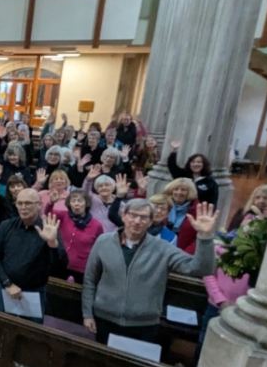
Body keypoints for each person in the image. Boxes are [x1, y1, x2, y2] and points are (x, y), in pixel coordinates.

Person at [84, 198, 217, 344]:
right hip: (104, 319)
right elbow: (90, 279)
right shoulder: (103, 241)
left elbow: (201, 269)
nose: (137, 221)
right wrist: (87, 314)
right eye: (133, 215)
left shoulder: (162, 248)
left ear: (150, 221)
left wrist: (205, 238)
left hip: (143, 325)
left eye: (143, 217)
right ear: (123, 216)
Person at [0, 189, 67, 322]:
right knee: (0, 328)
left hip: (33, 293)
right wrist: (7, 283)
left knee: (30, 335)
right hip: (6, 288)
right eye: (20, 203)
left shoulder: (49, 229)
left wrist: (52, 242)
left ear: (39, 205)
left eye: (28, 203)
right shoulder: (6, 225)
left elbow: (61, 268)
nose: (23, 207)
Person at [46, 190, 104, 283]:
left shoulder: (96, 225)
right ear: (69, 204)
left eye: (80, 201)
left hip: (81, 269)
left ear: (86, 203)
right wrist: (51, 203)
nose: (76, 203)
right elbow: (48, 215)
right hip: (60, 264)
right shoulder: (63, 216)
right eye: (73, 201)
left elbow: (100, 248)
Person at [167, 140, 219, 205]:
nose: (195, 164)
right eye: (193, 162)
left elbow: (213, 202)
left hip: (198, 212)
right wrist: (174, 150)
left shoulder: (210, 182)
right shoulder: (184, 175)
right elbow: (172, 167)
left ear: (204, 164)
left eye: (199, 162)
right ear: (189, 164)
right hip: (181, 209)